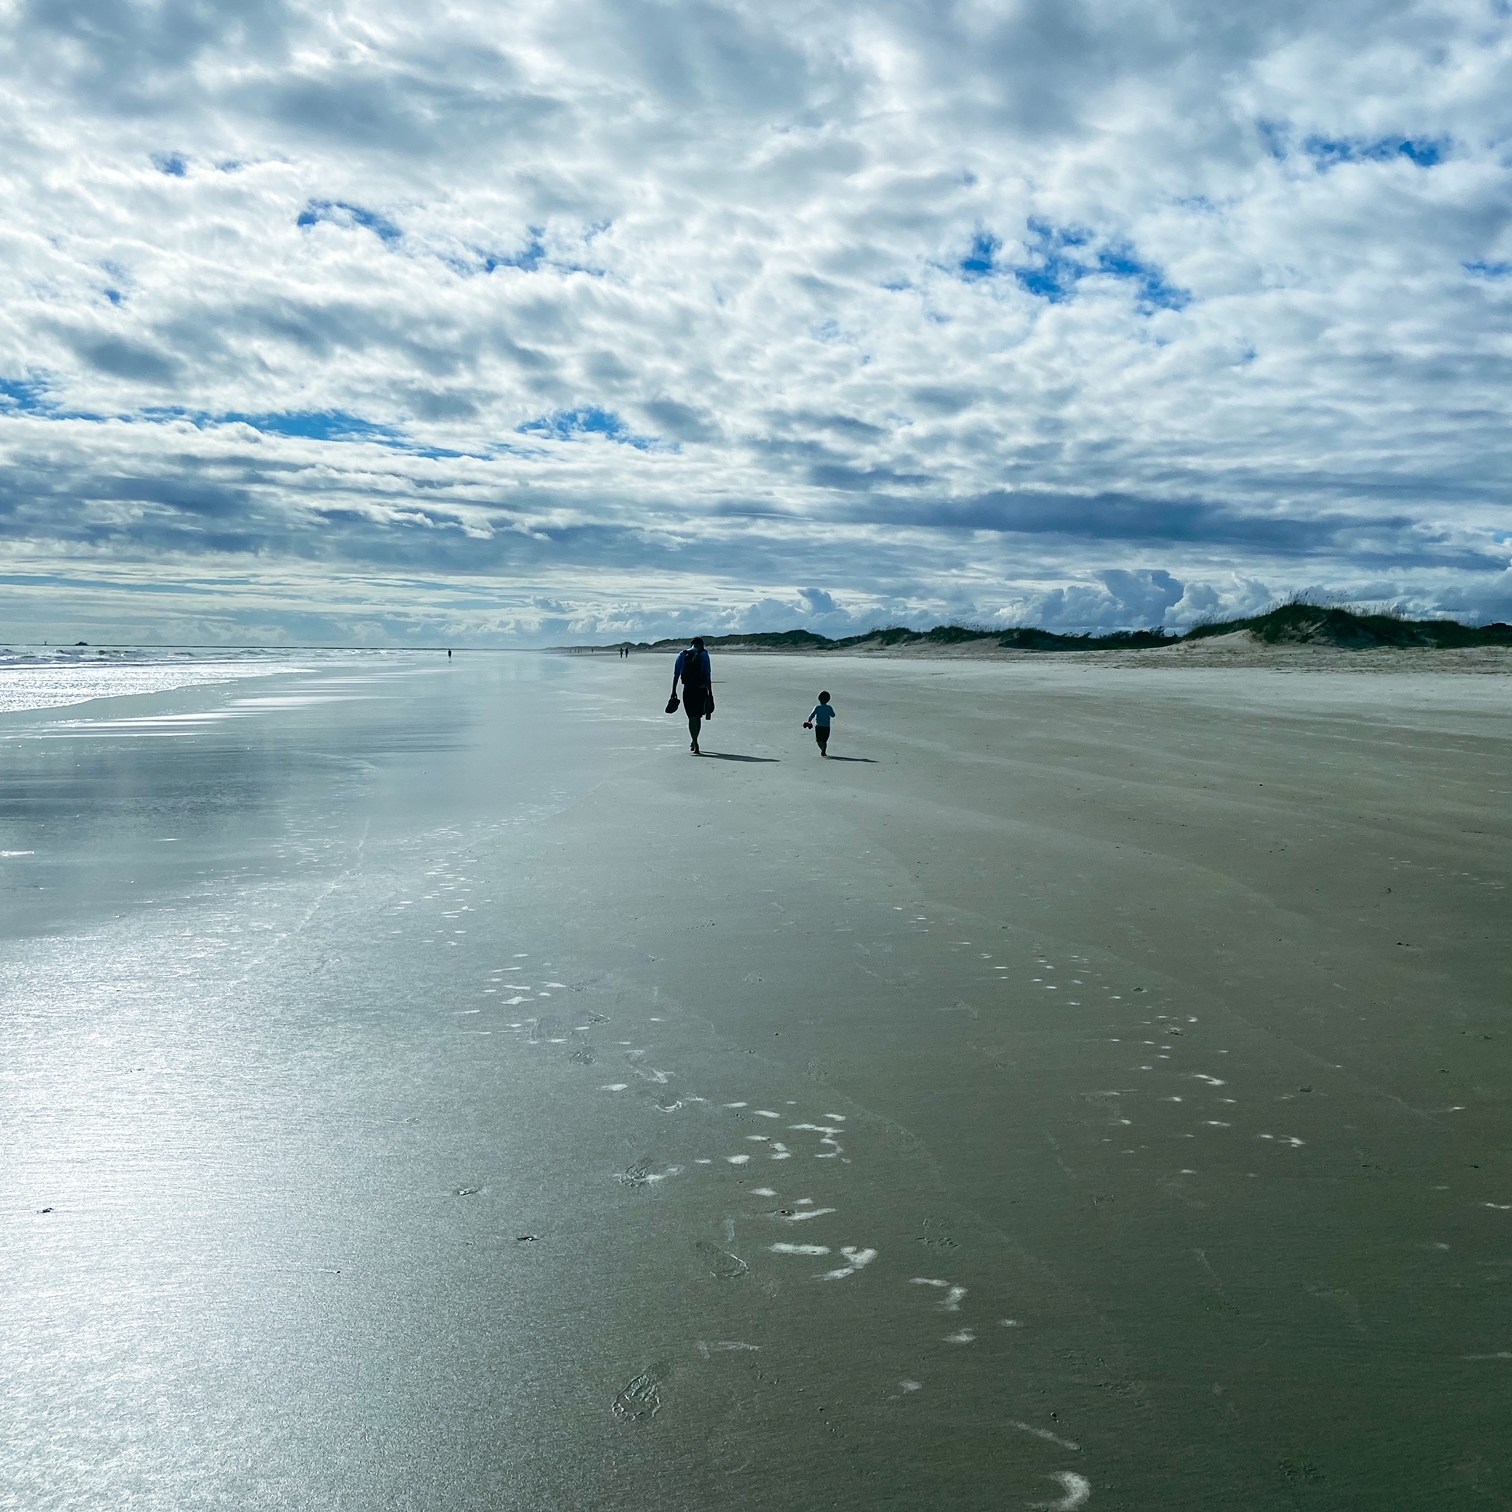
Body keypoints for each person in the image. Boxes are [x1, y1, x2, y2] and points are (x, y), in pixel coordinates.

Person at [673, 637, 713, 754]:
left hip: (688, 690)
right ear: (702, 645)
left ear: (691, 644)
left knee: (691, 717)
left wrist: (673, 691)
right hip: (701, 690)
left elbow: (676, 674)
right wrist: (710, 692)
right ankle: (695, 740)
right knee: (698, 716)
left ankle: (694, 741)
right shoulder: (704, 655)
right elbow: (707, 674)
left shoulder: (683, 654)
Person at [804, 691, 836, 755]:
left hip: (819, 726)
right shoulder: (829, 707)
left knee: (819, 740)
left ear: (819, 699)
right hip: (827, 726)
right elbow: (833, 715)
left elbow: (812, 715)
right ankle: (824, 750)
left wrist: (809, 721)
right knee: (824, 740)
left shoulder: (817, 707)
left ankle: (822, 748)